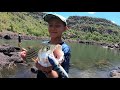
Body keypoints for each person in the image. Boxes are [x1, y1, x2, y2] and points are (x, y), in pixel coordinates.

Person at [21, 13, 71, 78]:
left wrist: (47, 71)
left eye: (57, 25)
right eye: (50, 25)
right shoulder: (44, 44)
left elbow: (61, 76)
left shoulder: (65, 48)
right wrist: (27, 57)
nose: (53, 28)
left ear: (64, 28)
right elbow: (36, 60)